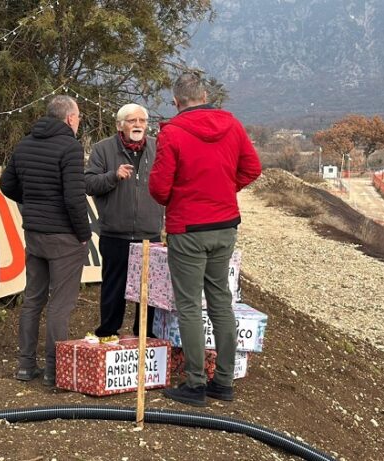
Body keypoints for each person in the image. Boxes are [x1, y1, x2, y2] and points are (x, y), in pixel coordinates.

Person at [149, 73, 261, 406]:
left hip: (188, 228)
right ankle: (223, 381)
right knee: (221, 302)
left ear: (176, 102)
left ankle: (195, 383)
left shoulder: (172, 133)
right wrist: (225, 189)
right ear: (206, 96)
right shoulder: (232, 125)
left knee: (188, 305)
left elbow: (159, 188)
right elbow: (252, 168)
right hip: (225, 225)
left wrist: (185, 197)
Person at [0, 95, 91, 387]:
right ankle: (55, 370)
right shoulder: (70, 147)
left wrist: (33, 202)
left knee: (33, 300)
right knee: (60, 305)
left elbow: (6, 184)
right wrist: (84, 234)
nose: (78, 121)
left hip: (35, 232)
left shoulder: (25, 144)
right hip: (64, 236)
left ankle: (26, 365)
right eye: (78, 116)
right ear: (70, 118)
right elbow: (74, 199)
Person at [85, 103, 164, 339]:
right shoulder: (103, 149)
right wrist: (113, 176)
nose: (138, 125)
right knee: (114, 288)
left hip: (150, 234)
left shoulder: (159, 147)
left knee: (149, 291)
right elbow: (88, 184)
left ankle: (147, 337)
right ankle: (108, 334)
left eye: (142, 120)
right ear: (120, 125)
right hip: (115, 233)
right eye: (132, 121)